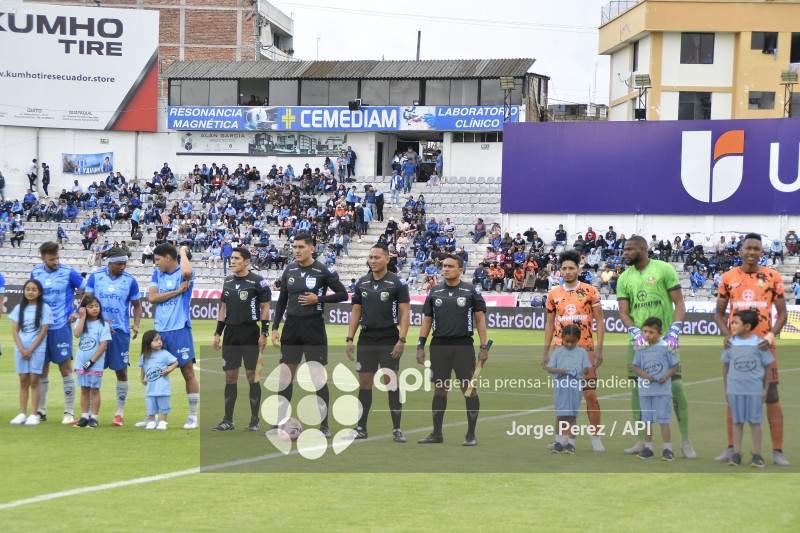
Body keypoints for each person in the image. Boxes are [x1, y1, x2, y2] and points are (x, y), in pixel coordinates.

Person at [617, 236, 695, 459]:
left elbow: (679, 302)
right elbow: (623, 311)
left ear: (643, 249)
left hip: (664, 342)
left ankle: (686, 441)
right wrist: (633, 330)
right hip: (638, 344)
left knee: (676, 388)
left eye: (630, 249)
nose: (625, 253)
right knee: (637, 391)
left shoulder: (663, 269)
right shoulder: (624, 278)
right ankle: (642, 441)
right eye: (624, 249)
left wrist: (675, 331)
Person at [714, 233, 789, 466]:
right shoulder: (728, 277)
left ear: (762, 252)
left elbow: (783, 313)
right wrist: (727, 336)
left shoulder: (772, 276)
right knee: (734, 396)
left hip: (764, 347)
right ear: (741, 250)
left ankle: (777, 451)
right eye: (748, 248)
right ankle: (731, 449)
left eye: (757, 249)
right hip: (738, 349)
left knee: (772, 396)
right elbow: (718, 313)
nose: (752, 252)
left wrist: (770, 335)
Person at [268, 233, 348, 438]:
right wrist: (275, 327)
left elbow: (343, 294)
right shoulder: (290, 269)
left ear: (311, 249)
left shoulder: (322, 270)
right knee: (285, 377)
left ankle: (324, 425)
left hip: (313, 328)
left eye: (301, 247)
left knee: (317, 378)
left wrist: (319, 299)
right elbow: (283, 300)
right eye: (294, 246)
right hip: (291, 328)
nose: (296, 250)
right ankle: (280, 422)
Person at [416, 254, 489, 446]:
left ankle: (471, 435)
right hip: (439, 345)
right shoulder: (435, 291)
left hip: (463, 345)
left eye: (450, 266)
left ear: (460, 270)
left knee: (468, 389)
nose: (445, 268)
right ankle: (437, 434)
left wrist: (483, 346)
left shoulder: (470, 290)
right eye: (444, 265)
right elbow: (427, 320)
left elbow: (480, 320)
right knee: (440, 389)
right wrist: (420, 345)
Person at [344, 244, 411, 441]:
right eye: (370, 257)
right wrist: (350, 338)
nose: (372, 261)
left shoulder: (397, 283)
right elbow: (356, 311)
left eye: (377, 257)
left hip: (389, 337)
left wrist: (402, 339)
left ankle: (397, 429)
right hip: (366, 338)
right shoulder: (362, 283)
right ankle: (361, 428)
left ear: (387, 259)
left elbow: (406, 312)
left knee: (391, 382)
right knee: (364, 383)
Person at [542, 250, 605, 452]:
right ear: (559, 270)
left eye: (571, 268)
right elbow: (549, 324)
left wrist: (599, 349)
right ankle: (564, 441)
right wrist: (546, 352)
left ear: (579, 268)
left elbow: (600, 321)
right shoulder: (553, 294)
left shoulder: (590, 292)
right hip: (561, 350)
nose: (567, 272)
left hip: (585, 349)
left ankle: (596, 438)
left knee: (590, 395)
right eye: (564, 268)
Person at [212, 247, 271, 432]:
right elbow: (223, 308)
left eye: (237, 258)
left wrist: (264, 333)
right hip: (231, 334)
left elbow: (265, 308)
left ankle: (254, 421)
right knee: (230, 377)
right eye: (232, 258)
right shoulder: (228, 281)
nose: (232, 261)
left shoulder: (257, 281)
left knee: (252, 377)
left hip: (250, 334)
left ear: (246, 262)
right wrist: (218, 333)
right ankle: (227, 420)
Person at [84, 248, 142, 426]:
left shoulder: (131, 280)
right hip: (96, 331)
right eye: (119, 264)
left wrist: (136, 324)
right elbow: (86, 303)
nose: (123, 267)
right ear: (109, 263)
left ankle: (119, 413)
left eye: (125, 263)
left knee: (121, 371)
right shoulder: (95, 277)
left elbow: (137, 305)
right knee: (93, 371)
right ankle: (91, 415)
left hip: (120, 332)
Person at [31, 242, 85, 424]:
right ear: (43, 258)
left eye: (57, 258)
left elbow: (88, 290)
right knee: (42, 370)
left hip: (61, 327)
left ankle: (69, 412)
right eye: (52, 259)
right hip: (40, 327)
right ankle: (41, 411)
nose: (56, 262)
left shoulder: (69, 272)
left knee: (65, 369)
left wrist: (78, 311)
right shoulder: (36, 273)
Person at [145, 244, 198, 430]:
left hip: (179, 329)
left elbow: (188, 272)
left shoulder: (183, 273)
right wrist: (176, 292)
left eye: (158, 259)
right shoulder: (157, 275)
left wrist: (182, 251)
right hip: (159, 330)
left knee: (187, 372)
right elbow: (152, 298)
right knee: (152, 373)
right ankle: (151, 417)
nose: (156, 263)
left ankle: (192, 416)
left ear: (168, 257)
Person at [721, 310, 774, 467]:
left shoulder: (759, 344)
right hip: (734, 390)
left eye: (736, 322)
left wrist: (765, 389)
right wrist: (726, 388)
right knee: (737, 422)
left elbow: (768, 367)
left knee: (754, 422)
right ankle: (736, 454)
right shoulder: (730, 344)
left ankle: (757, 455)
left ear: (747, 326)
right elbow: (725, 367)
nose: (733, 325)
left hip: (754, 390)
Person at [630, 317, 680, 461]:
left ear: (659, 332)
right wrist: (645, 375)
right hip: (645, 391)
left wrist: (665, 376)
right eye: (645, 331)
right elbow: (635, 366)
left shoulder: (666, 346)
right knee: (646, 420)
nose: (647, 335)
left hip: (662, 391)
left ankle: (667, 449)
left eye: (651, 332)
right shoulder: (641, 348)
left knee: (663, 420)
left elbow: (674, 366)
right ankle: (648, 448)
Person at [9, 279, 53, 426]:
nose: (30, 292)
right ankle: (22, 413)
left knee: (34, 381)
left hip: (37, 350)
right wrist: (22, 349)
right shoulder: (18, 308)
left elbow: (43, 331)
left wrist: (31, 349)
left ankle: (34, 414)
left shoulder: (44, 308)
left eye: (34, 289)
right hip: (21, 350)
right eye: (28, 289)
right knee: (23, 381)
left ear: (39, 292)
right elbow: (15, 331)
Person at [545, 324, 592, 454]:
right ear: (562, 338)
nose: (570, 344)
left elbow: (587, 369)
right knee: (560, 416)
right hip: (560, 387)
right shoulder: (558, 352)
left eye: (573, 341)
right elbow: (549, 368)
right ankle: (558, 442)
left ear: (578, 340)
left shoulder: (582, 352)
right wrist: (558, 370)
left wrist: (586, 370)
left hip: (575, 388)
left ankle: (571, 444)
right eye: (567, 341)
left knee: (572, 416)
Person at [71, 295, 112, 429]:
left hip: (95, 364)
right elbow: (77, 334)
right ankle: (84, 416)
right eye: (90, 306)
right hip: (80, 362)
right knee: (84, 389)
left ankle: (94, 418)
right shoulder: (81, 322)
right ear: (84, 308)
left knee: (94, 390)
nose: (94, 309)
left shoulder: (103, 325)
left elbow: (103, 345)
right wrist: (82, 317)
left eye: (96, 306)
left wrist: (91, 361)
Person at [138, 330, 179, 431]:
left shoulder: (164, 354)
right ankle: (152, 421)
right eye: (156, 340)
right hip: (150, 387)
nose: (159, 342)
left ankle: (163, 421)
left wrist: (169, 370)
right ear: (148, 343)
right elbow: (143, 367)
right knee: (151, 404)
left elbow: (175, 362)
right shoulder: (144, 356)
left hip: (162, 387)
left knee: (164, 404)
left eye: (160, 339)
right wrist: (142, 378)